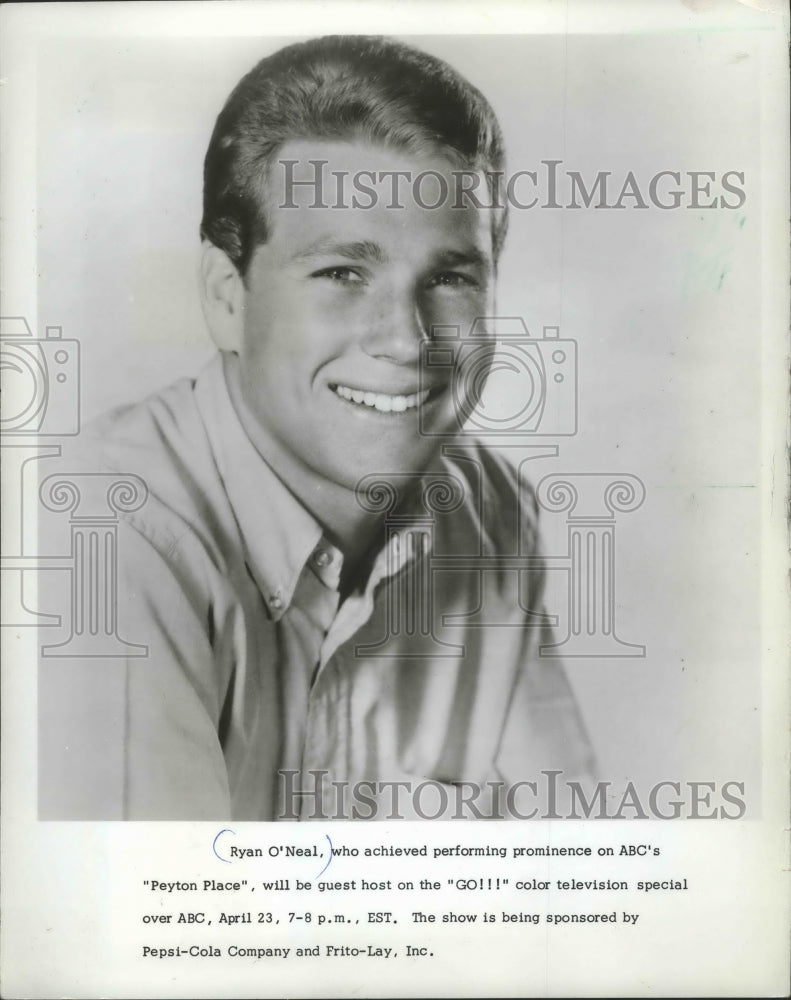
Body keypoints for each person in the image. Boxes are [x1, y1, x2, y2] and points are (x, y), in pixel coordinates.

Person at [39, 35, 593, 821]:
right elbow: (154, 900)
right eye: (341, 273)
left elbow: (571, 860)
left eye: (449, 277)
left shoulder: (493, 511)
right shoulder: (102, 533)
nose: (406, 340)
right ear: (226, 295)